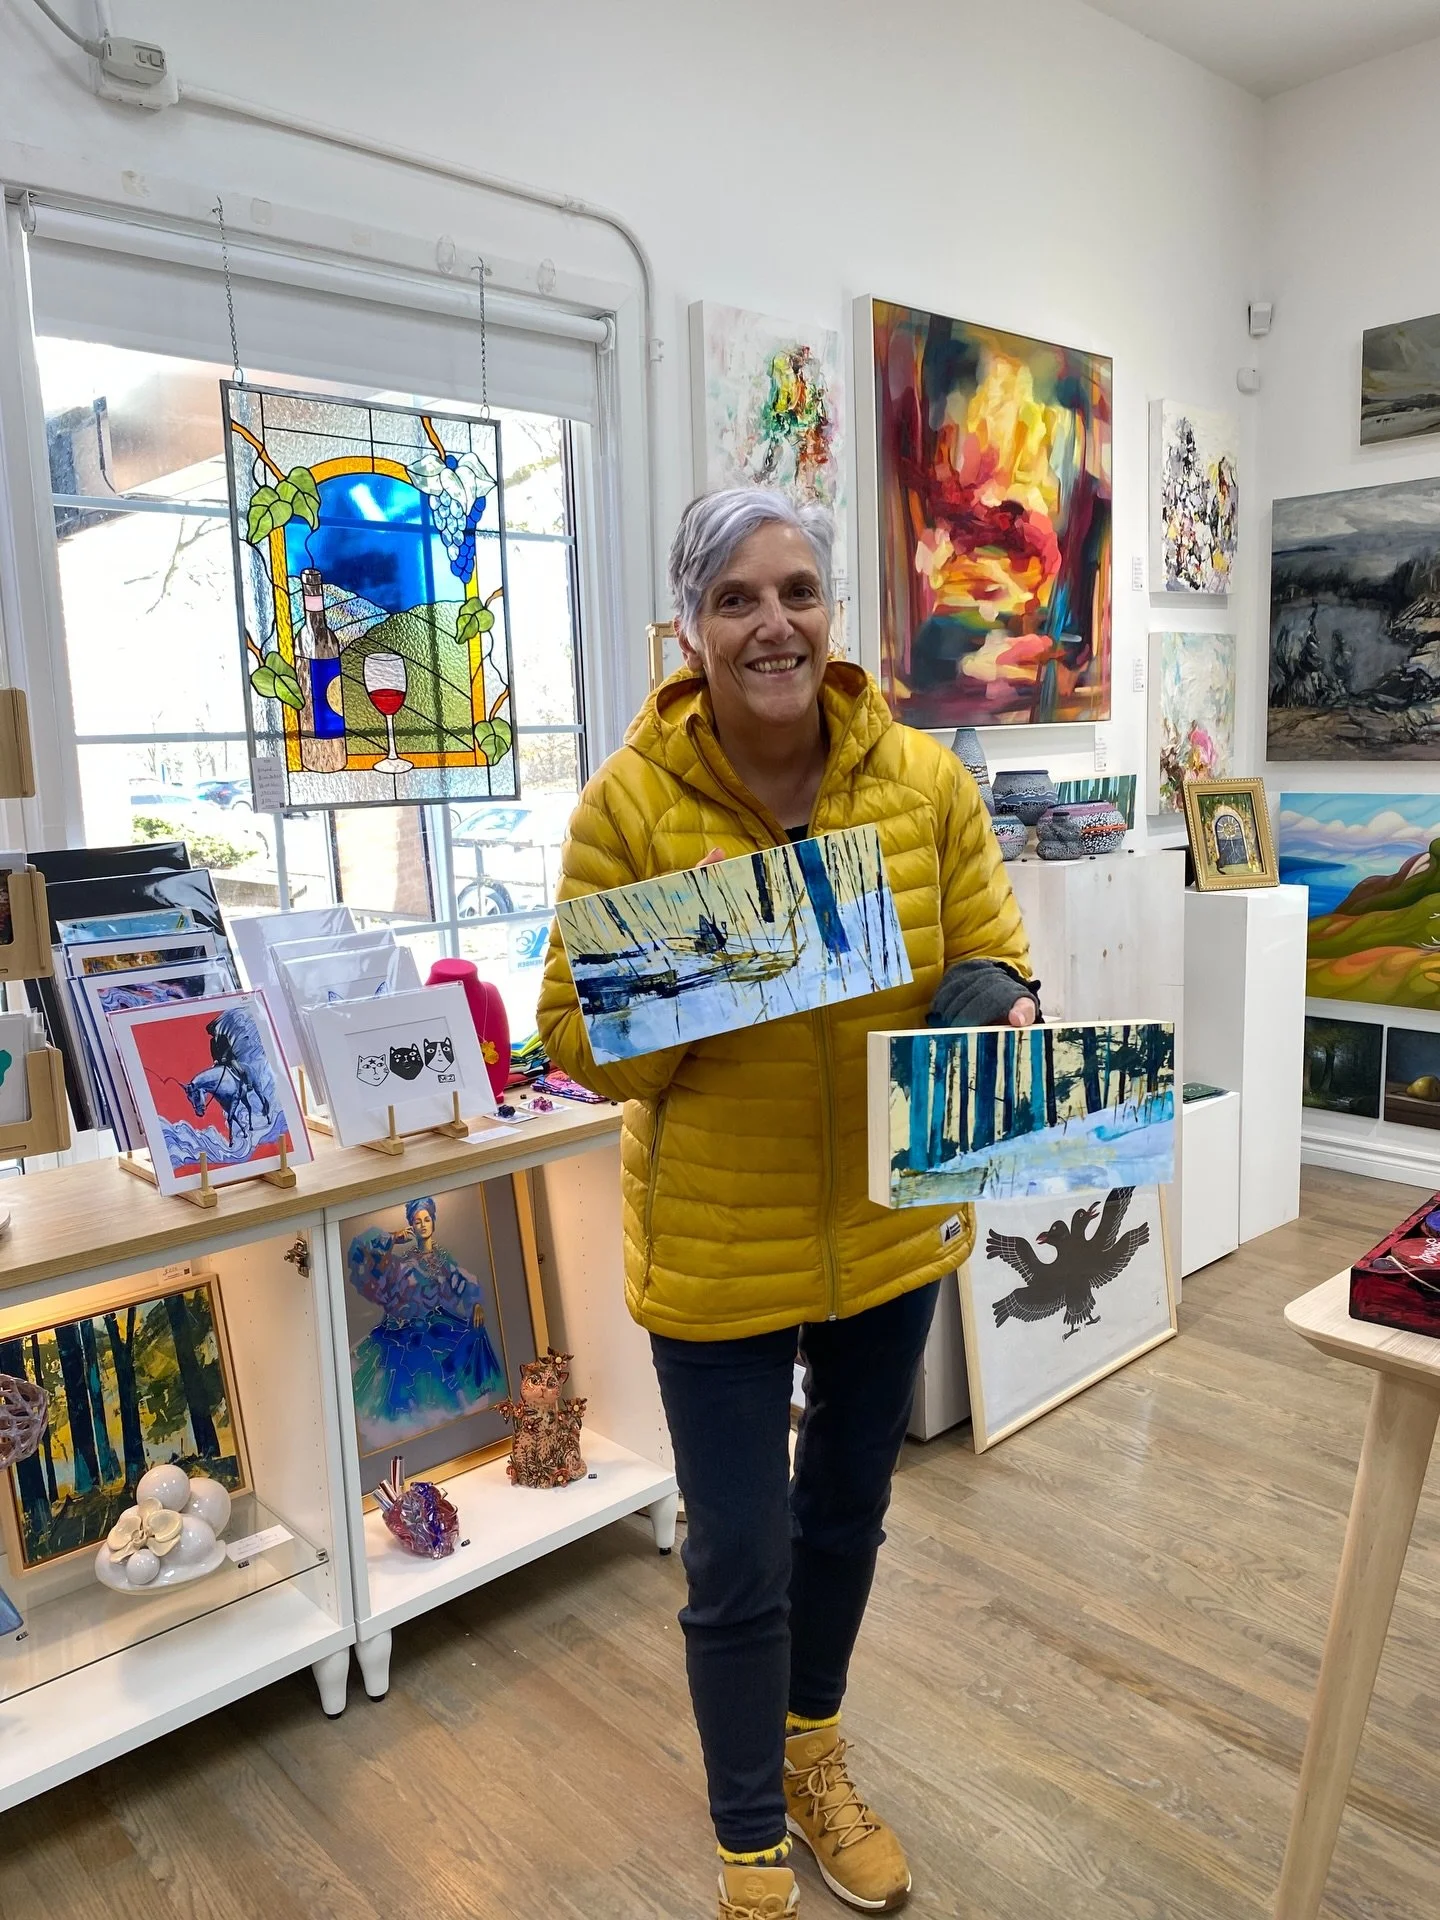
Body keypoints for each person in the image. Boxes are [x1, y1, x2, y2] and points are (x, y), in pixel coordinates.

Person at [538, 488, 1035, 1920]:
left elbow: (984, 955)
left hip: (889, 1222)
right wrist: (701, 954)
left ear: (835, 613)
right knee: (739, 1550)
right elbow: (573, 1040)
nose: (775, 624)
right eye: (739, 598)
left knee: (846, 1519)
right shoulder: (628, 807)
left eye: (800, 591)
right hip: (715, 1243)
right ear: (688, 629)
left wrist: (1001, 1009)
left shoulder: (923, 783)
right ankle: (749, 1830)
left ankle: (813, 1749)